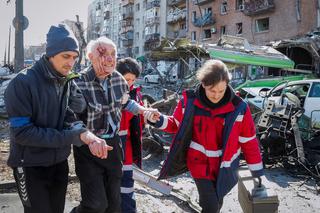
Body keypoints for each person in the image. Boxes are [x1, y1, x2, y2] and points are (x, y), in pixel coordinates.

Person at [4, 24, 111, 213]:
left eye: (74, 57)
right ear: (50, 53)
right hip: (29, 166)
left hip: (59, 163)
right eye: (66, 56)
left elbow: (69, 116)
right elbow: (22, 133)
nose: (71, 63)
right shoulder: (22, 83)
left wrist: (85, 134)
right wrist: (71, 137)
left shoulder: (65, 81)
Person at [144, 60, 263, 213]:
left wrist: (257, 173)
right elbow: (176, 124)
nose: (217, 95)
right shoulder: (190, 102)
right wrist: (158, 119)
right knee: (211, 206)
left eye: (221, 90)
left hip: (226, 167)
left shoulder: (239, 108)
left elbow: (249, 142)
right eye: (212, 91)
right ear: (203, 84)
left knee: (217, 203)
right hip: (198, 163)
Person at [71, 37, 158, 213]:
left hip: (113, 146)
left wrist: (144, 111)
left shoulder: (119, 80)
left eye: (113, 54)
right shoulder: (77, 82)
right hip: (88, 148)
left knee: (114, 205)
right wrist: (89, 139)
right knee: (95, 204)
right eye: (103, 53)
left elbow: (127, 103)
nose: (110, 58)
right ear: (90, 57)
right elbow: (71, 120)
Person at [117, 57, 144, 213]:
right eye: (126, 79)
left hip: (127, 148)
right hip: (112, 147)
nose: (129, 83)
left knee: (127, 187)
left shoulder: (135, 93)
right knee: (112, 189)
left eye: (133, 80)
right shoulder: (111, 93)